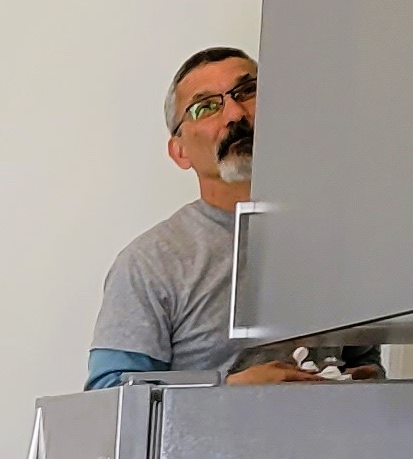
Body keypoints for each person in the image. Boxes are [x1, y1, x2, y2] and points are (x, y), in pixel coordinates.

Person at [88, 47, 323, 388]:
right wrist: (227, 391)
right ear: (179, 151)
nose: (234, 113)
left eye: (248, 92)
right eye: (206, 107)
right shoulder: (152, 262)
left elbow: (363, 361)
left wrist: (368, 384)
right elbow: (109, 398)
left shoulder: (334, 241)